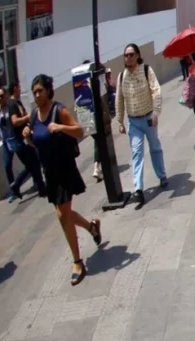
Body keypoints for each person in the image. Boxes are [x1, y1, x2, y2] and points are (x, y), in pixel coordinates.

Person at [22, 74, 102, 286]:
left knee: (61, 215)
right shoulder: (33, 115)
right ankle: (91, 227)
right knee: (63, 213)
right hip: (49, 172)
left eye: (40, 90)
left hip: (64, 168)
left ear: (48, 90)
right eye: (35, 92)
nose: (37, 95)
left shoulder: (59, 110)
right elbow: (36, 144)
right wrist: (27, 137)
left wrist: (59, 127)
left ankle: (77, 262)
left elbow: (78, 130)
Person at [115, 44, 169, 205]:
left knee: (155, 148)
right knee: (136, 153)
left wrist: (156, 113)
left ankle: (162, 175)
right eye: (126, 55)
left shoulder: (146, 70)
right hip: (133, 122)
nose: (128, 58)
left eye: (131, 55)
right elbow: (119, 99)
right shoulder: (121, 76)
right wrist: (120, 121)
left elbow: (156, 90)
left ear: (138, 55)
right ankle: (138, 189)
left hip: (148, 118)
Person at [0, 87, 47, 202]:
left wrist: (29, 124)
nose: (1, 99)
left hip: (21, 138)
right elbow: (12, 123)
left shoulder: (14, 104)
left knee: (32, 162)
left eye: (2, 96)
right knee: (28, 163)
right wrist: (28, 118)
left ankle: (35, 185)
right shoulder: (9, 107)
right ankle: (17, 185)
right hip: (16, 141)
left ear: (7, 94)